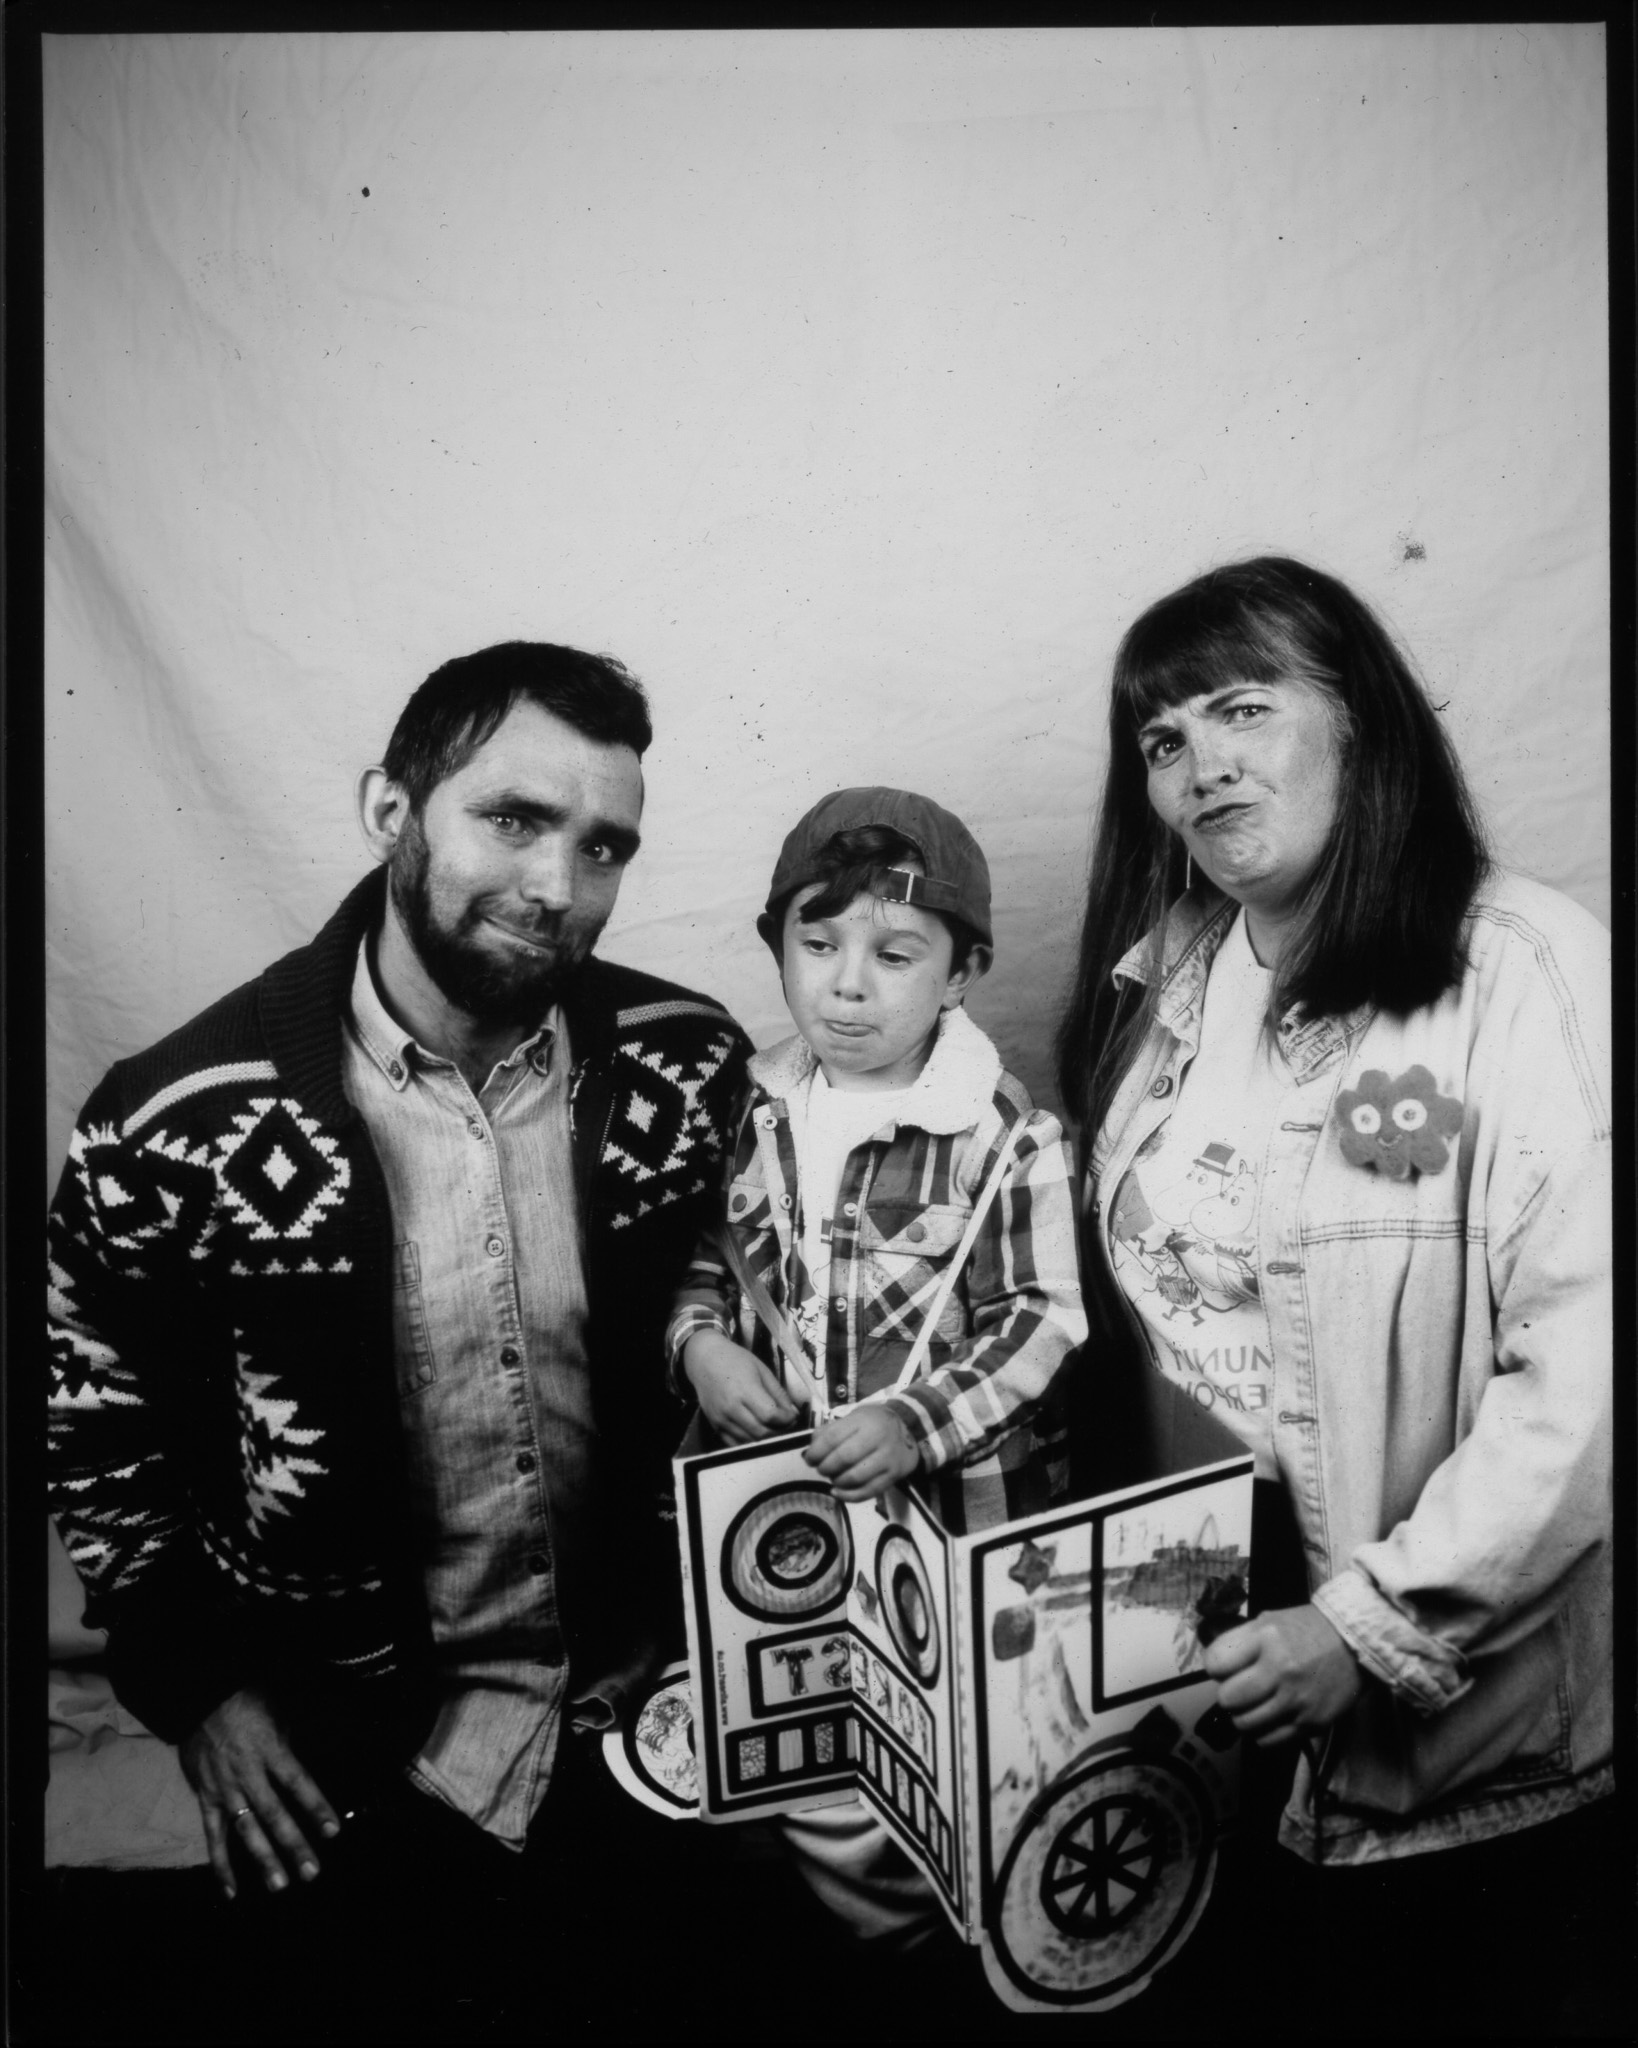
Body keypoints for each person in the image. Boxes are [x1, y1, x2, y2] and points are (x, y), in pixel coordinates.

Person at [44, 642, 753, 2042]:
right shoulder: (171, 1120)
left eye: (604, 845)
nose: (561, 887)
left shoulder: (690, 1061)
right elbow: (92, 1432)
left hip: (655, 1728)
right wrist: (199, 1687)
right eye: (513, 819)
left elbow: (757, 1298)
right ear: (390, 810)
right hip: (357, 1753)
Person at [1055, 557, 1614, 2032]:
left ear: (1360, 723)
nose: (1199, 766)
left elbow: (1586, 1390)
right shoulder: (1168, 967)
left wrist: (1361, 1627)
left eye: (1243, 708)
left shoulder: (1526, 976)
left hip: (1430, 1702)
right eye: (1162, 739)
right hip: (1212, 1643)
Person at [668, 787, 1087, 1958]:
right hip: (787, 1511)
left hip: (948, 1518)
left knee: (952, 1752)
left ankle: (936, 1952)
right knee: (813, 1743)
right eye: (816, 945)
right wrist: (697, 1341)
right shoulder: (756, 1106)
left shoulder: (1004, 1134)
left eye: (895, 953)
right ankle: (836, 1950)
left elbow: (1040, 1319)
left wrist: (917, 1417)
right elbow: (714, 1251)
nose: (847, 985)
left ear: (961, 972)